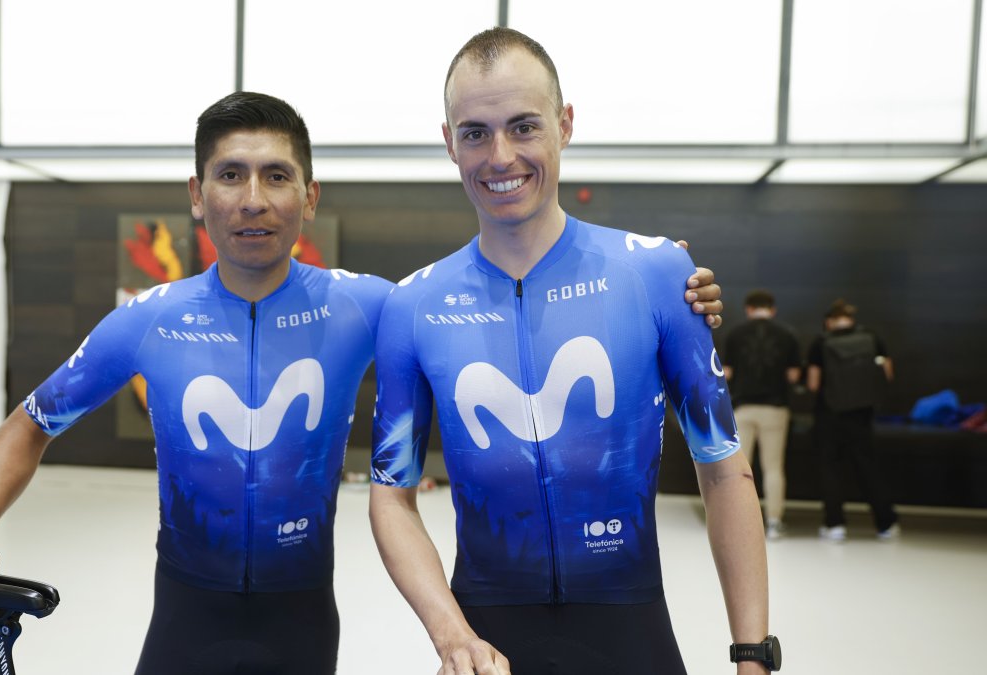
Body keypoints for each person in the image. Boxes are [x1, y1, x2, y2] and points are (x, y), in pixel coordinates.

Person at [0, 92, 726, 673]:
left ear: (308, 194)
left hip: (302, 623)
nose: (252, 199)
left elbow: (482, 298)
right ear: (197, 195)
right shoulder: (147, 318)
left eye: (275, 175)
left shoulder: (373, 306)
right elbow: (32, 421)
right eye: (229, 175)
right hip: (185, 615)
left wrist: (674, 289)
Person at [370, 28, 772, 675]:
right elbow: (392, 494)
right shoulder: (412, 305)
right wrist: (451, 634)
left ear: (565, 124)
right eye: (474, 132)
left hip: (631, 632)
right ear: (449, 142)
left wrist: (753, 654)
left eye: (524, 126)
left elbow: (724, 467)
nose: (500, 156)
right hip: (484, 643)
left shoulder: (659, 275)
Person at [806, 299, 899, 541]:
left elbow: (814, 383)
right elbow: (887, 374)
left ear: (829, 321)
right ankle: (885, 524)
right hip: (861, 414)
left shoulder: (821, 342)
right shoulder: (871, 337)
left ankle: (835, 525)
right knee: (868, 466)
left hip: (829, 414)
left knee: (830, 468)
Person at [723, 289, 801, 540]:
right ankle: (774, 522)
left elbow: (726, 374)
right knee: (773, 468)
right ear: (772, 309)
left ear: (748, 309)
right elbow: (793, 376)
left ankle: (736, 523)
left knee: (741, 470)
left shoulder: (735, 334)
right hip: (776, 409)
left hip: (743, 408)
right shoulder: (787, 335)